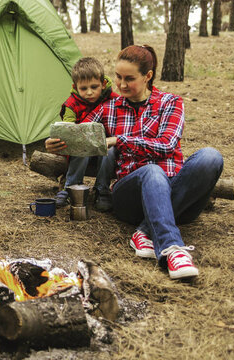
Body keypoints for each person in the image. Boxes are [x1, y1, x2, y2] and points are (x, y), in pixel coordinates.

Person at [83, 44, 223, 280]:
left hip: (177, 196)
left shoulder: (171, 103)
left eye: (129, 78)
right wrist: (58, 143)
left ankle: (145, 231)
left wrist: (120, 139)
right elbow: (81, 134)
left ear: (148, 76)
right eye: (118, 77)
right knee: (151, 171)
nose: (122, 84)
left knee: (211, 157)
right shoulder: (109, 108)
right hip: (130, 198)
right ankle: (172, 249)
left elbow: (167, 145)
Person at [46, 57, 119, 211]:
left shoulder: (114, 100)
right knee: (82, 147)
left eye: (94, 87)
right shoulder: (72, 104)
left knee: (111, 151)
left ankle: (102, 190)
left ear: (103, 84)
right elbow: (68, 128)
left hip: (105, 146)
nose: (89, 92)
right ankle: (70, 188)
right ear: (75, 86)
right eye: (83, 88)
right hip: (80, 151)